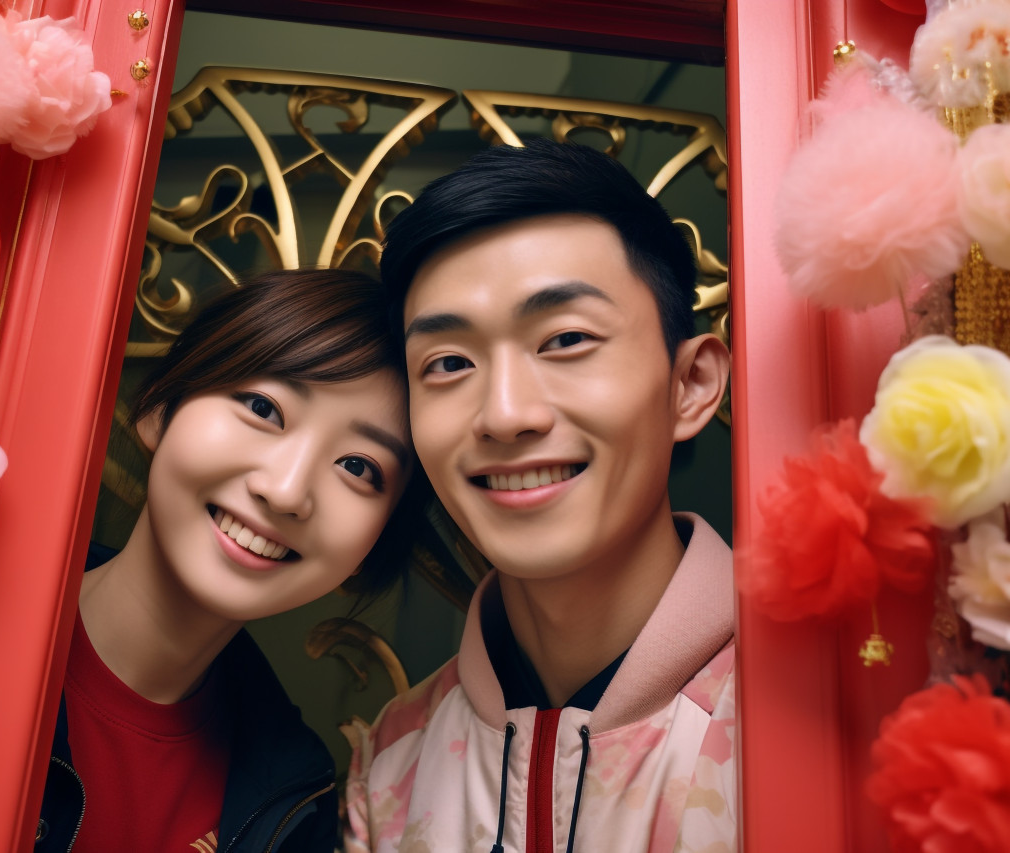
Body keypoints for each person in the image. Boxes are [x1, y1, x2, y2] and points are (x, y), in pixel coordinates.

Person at [344, 139, 734, 852]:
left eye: (565, 339)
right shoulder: (391, 765)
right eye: (449, 362)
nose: (504, 414)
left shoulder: (836, 707)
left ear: (691, 384)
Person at [36, 269, 425, 853]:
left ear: (369, 550)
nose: (286, 491)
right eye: (264, 408)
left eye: (358, 467)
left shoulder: (300, 805)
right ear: (161, 408)